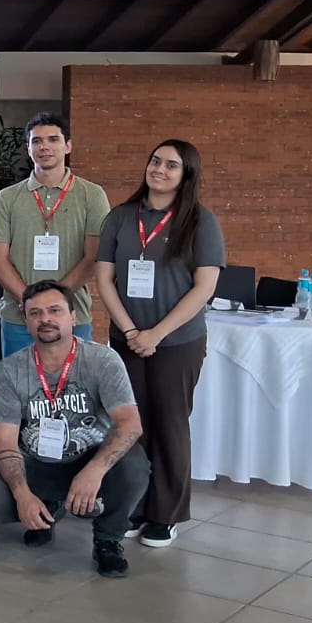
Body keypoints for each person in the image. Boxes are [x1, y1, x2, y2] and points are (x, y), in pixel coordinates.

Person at [94, 139, 224, 549]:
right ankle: (131, 504)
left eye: (171, 165)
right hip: (126, 339)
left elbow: (204, 288)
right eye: (155, 161)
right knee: (129, 424)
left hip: (178, 342)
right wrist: (131, 331)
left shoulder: (201, 221)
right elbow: (104, 279)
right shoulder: (121, 217)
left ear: (186, 175)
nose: (159, 170)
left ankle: (165, 515)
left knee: (169, 424)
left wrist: (156, 333)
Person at [0, 280, 149, 578]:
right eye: (35, 313)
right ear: (26, 321)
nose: (45, 319)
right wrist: (22, 495)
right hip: (38, 462)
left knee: (134, 465)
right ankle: (46, 510)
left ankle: (108, 539)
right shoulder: (10, 369)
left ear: (73, 317)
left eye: (54, 311)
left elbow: (130, 424)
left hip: (88, 458)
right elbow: (4, 441)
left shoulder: (102, 360)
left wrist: (94, 471)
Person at [0, 113, 111, 357]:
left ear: (68, 146)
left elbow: (93, 257)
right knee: (20, 380)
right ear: (28, 148)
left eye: (53, 139)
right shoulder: (7, 198)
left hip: (73, 317)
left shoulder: (92, 195)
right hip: (19, 318)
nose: (44, 146)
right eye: (37, 141)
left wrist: (56, 303)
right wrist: (31, 303)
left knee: (74, 381)